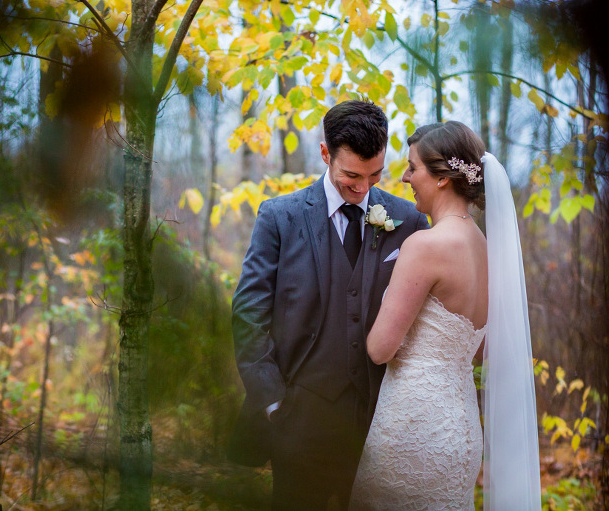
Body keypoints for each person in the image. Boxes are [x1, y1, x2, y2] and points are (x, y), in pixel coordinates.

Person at [227, 99, 430, 510]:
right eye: (351, 175)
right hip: (297, 421)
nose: (363, 187)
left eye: (375, 175)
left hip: (379, 425)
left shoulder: (409, 221)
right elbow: (249, 314)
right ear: (325, 153)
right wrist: (274, 404)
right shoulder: (279, 217)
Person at [349, 121, 541, 510]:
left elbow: (380, 349)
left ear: (441, 178)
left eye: (412, 167)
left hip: (411, 425)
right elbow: (480, 349)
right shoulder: (489, 252)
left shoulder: (425, 246)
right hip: (460, 430)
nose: (405, 178)